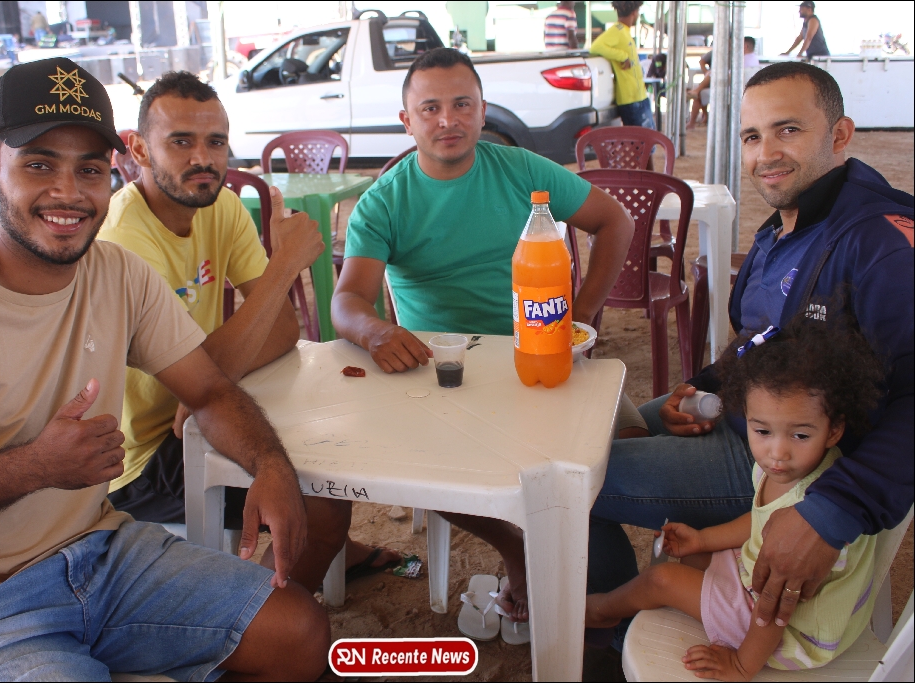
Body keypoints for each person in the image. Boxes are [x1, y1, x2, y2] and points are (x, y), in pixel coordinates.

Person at [0, 58, 328, 681]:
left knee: (300, 632)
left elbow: (208, 390)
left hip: (98, 553)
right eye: (39, 165)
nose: (69, 192)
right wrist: (34, 466)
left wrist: (271, 466)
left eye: (90, 169)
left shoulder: (119, 275)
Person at [589, 61, 913, 655]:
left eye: (788, 130)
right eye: (751, 136)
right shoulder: (780, 229)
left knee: (570, 477)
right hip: (741, 415)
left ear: (840, 134)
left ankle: (605, 636)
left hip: (787, 466)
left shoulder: (880, 245)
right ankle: (624, 608)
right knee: (594, 426)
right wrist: (702, 387)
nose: (767, 153)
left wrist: (832, 513)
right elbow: (761, 342)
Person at [331, 47, 635, 621]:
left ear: (482, 110)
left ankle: (592, 588)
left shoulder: (521, 170)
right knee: (423, 464)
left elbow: (613, 220)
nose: (448, 120)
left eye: (462, 104)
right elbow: (348, 301)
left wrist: (582, 314)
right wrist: (374, 332)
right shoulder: (384, 201)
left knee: (617, 455)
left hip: (543, 356)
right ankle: (517, 549)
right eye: (430, 108)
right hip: (449, 375)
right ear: (407, 121)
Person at [99, 71, 402, 591]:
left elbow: (281, 329)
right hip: (139, 459)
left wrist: (210, 374)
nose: (203, 158)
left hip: (208, 411)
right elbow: (197, 383)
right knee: (321, 503)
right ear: (139, 149)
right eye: (181, 141)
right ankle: (263, 618)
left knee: (333, 445)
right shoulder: (125, 243)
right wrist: (284, 267)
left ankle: (328, 554)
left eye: (216, 142)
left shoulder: (219, 205)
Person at [587, 321, 884, 679]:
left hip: (792, 633)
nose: (778, 452)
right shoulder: (784, 468)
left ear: (834, 429)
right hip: (762, 584)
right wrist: (702, 540)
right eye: (762, 431)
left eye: (800, 435)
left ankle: (599, 611)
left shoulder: (813, 506)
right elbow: (759, 520)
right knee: (688, 555)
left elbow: (778, 604)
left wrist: (742, 665)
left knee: (661, 580)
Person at [589, 1, 653, 130]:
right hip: (631, 99)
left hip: (638, 97)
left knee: (646, 138)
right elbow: (595, 47)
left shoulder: (623, 31)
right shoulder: (617, 31)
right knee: (644, 139)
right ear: (634, 13)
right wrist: (622, 56)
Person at [687, 38, 759, 130]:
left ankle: (692, 122)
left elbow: (727, 76)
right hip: (744, 92)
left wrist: (712, 74)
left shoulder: (741, 61)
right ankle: (698, 96)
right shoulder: (754, 59)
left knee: (701, 92)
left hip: (731, 93)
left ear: (745, 46)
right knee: (709, 79)